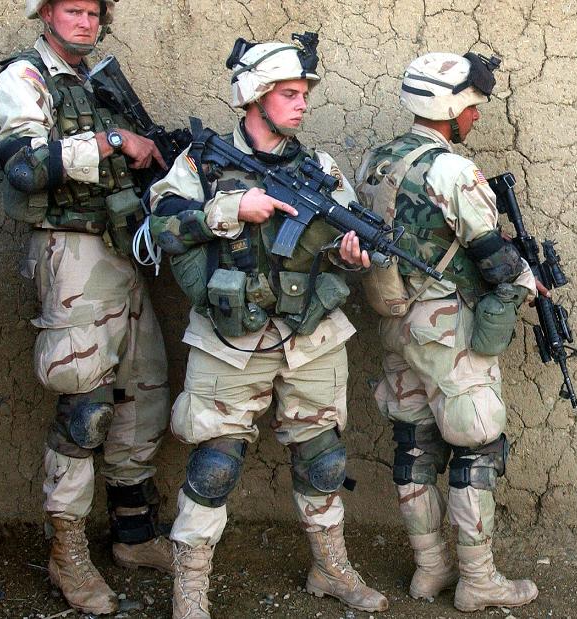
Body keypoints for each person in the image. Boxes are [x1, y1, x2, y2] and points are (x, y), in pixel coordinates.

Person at [146, 36, 387, 617]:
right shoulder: (201, 162)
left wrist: (351, 257)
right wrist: (232, 209)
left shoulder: (321, 170)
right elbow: (159, 228)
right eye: (289, 93)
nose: (302, 104)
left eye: (305, 93)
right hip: (231, 340)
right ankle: (190, 589)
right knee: (215, 462)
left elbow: (338, 244)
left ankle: (330, 568)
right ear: (254, 97)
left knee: (323, 457)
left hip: (311, 336)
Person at [0, 0, 172, 613]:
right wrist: (114, 140)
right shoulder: (25, 81)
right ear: (45, 15)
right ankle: (67, 553)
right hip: (72, 254)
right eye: (73, 9)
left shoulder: (96, 86)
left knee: (142, 388)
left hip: (124, 251)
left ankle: (133, 534)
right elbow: (22, 167)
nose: (86, 21)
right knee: (86, 400)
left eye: (95, 11)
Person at [356, 51, 540, 612]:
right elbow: (490, 254)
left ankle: (429, 568)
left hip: (394, 324)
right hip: (446, 329)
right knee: (477, 448)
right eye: (473, 106)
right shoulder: (451, 169)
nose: (477, 117)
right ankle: (478, 580)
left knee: (413, 445)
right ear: (451, 105)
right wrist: (529, 284)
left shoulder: (374, 161)